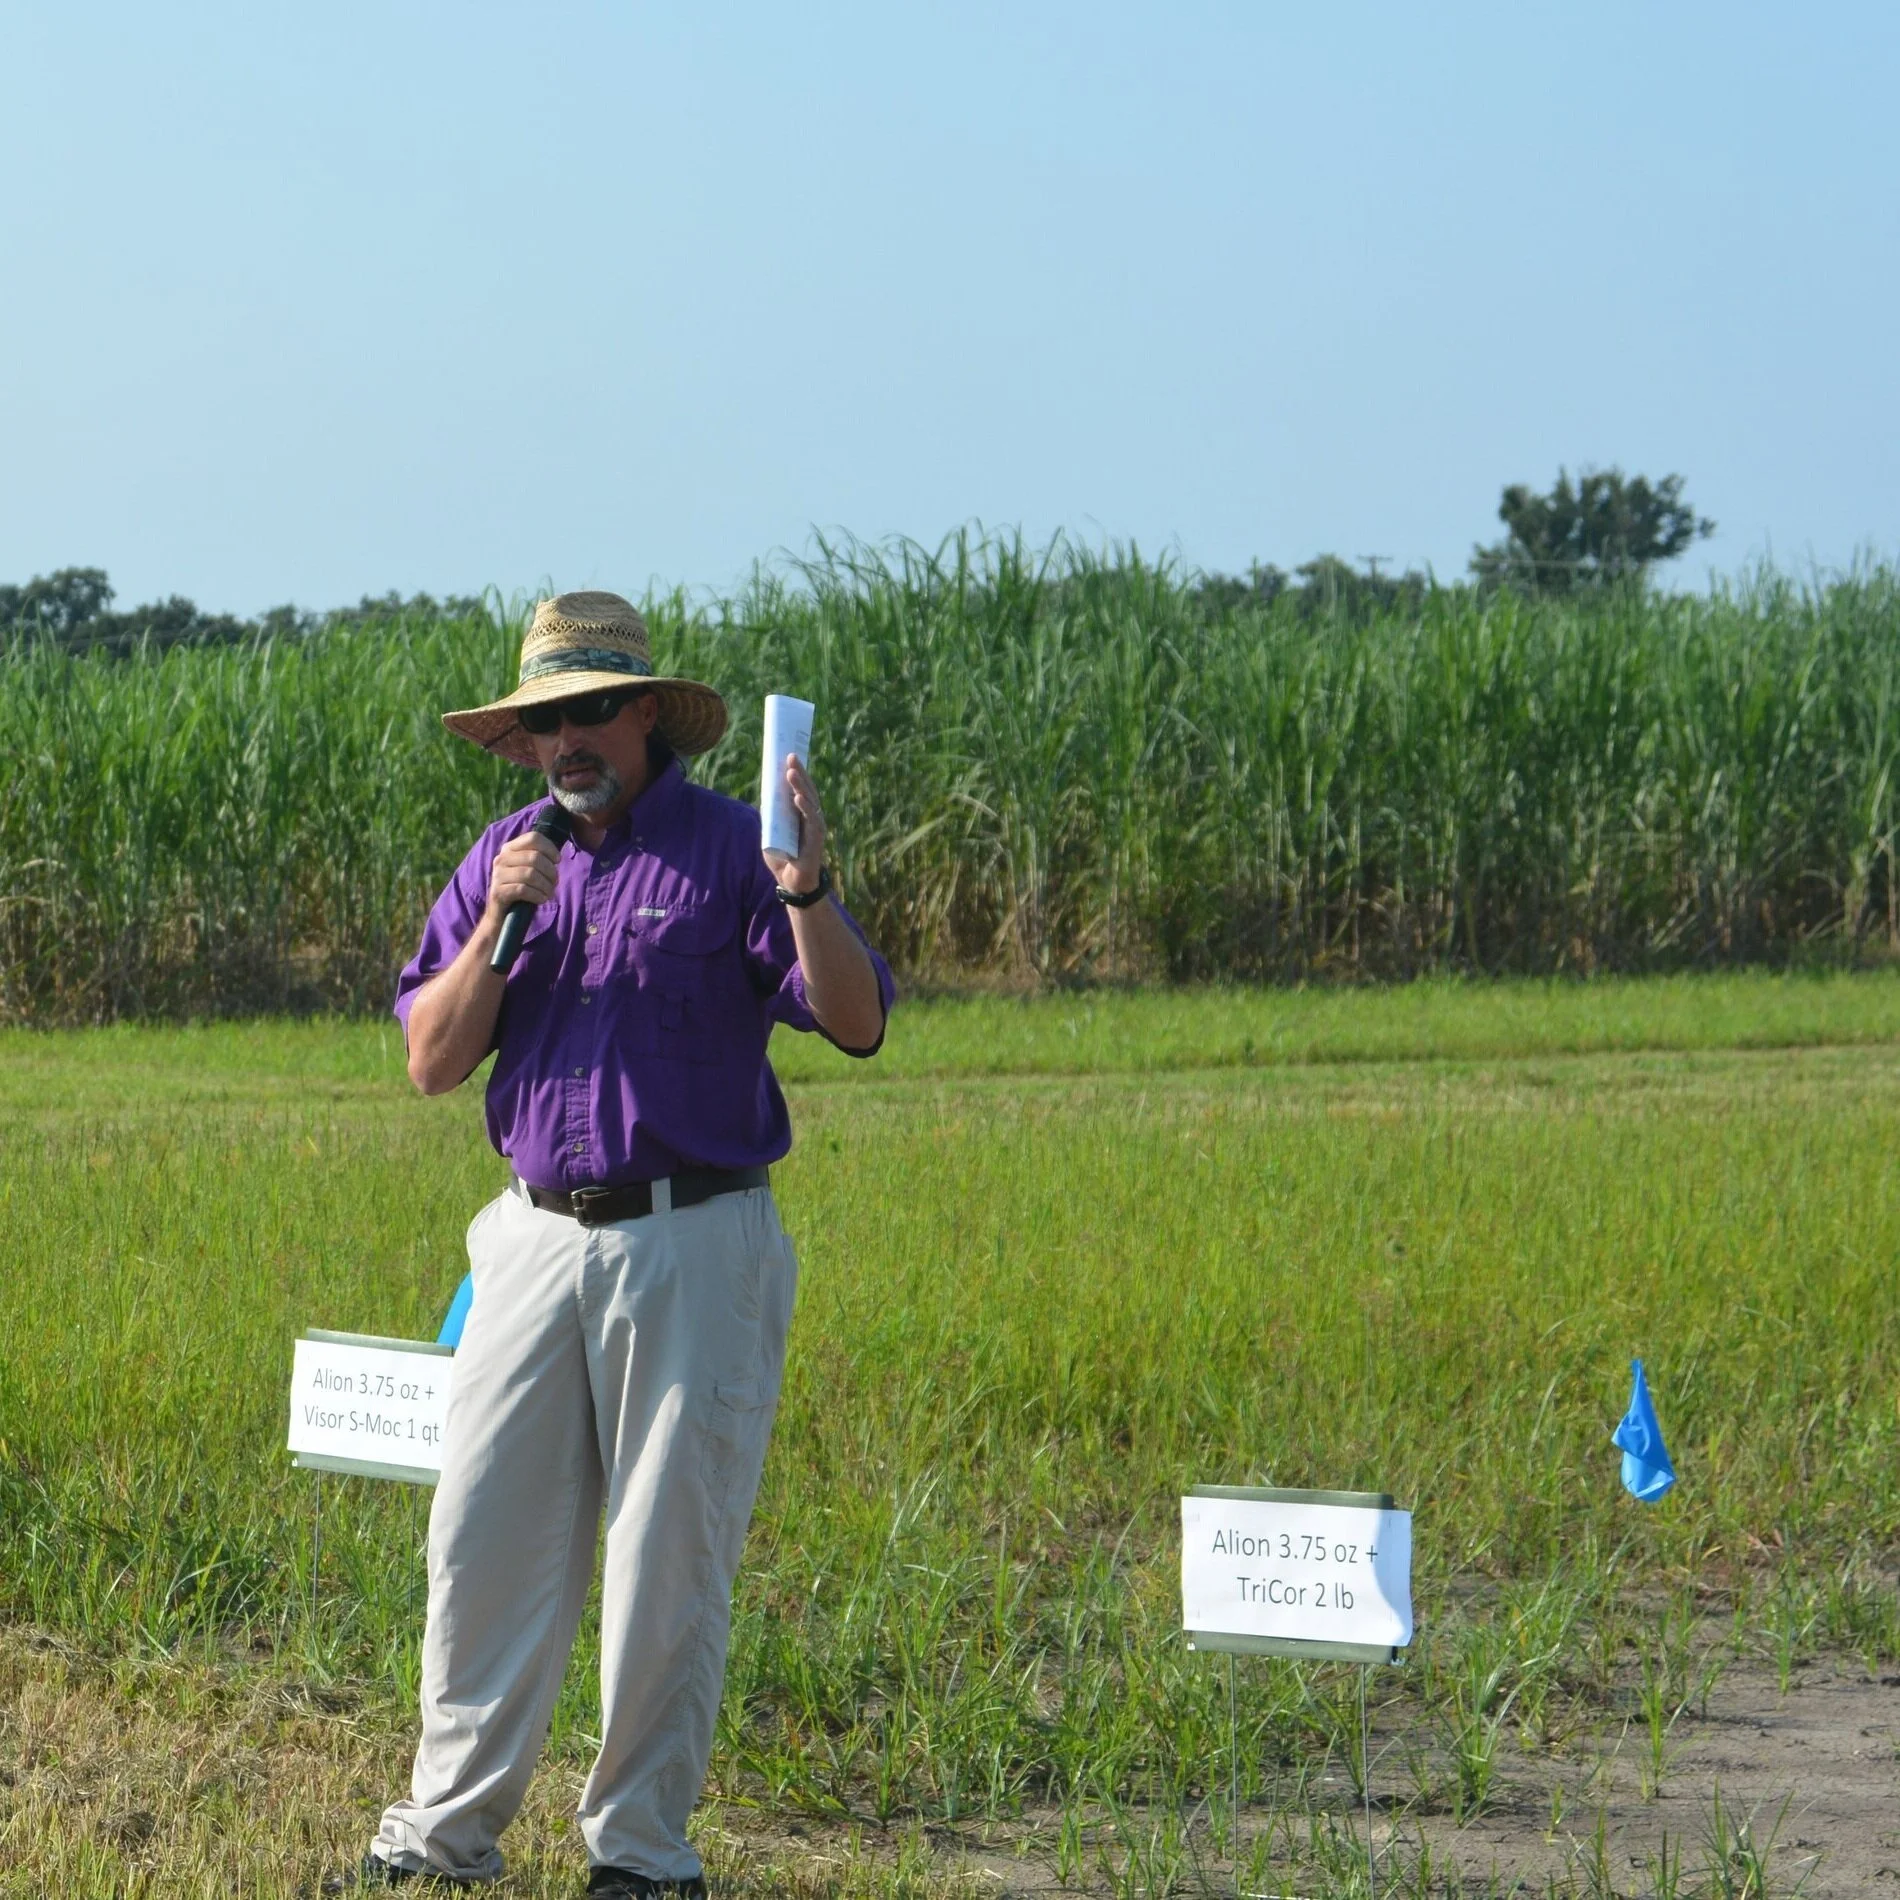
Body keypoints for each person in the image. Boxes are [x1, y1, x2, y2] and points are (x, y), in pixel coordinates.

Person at [336, 592, 894, 1895]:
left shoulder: (732, 849)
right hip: (531, 1244)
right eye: (542, 723)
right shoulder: (503, 858)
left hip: (693, 1241)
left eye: (588, 710)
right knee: (480, 1546)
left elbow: (857, 1021)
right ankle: (445, 1837)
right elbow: (431, 1061)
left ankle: (640, 1855)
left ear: (646, 713)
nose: (565, 741)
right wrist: (496, 927)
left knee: (665, 1560)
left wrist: (809, 886)